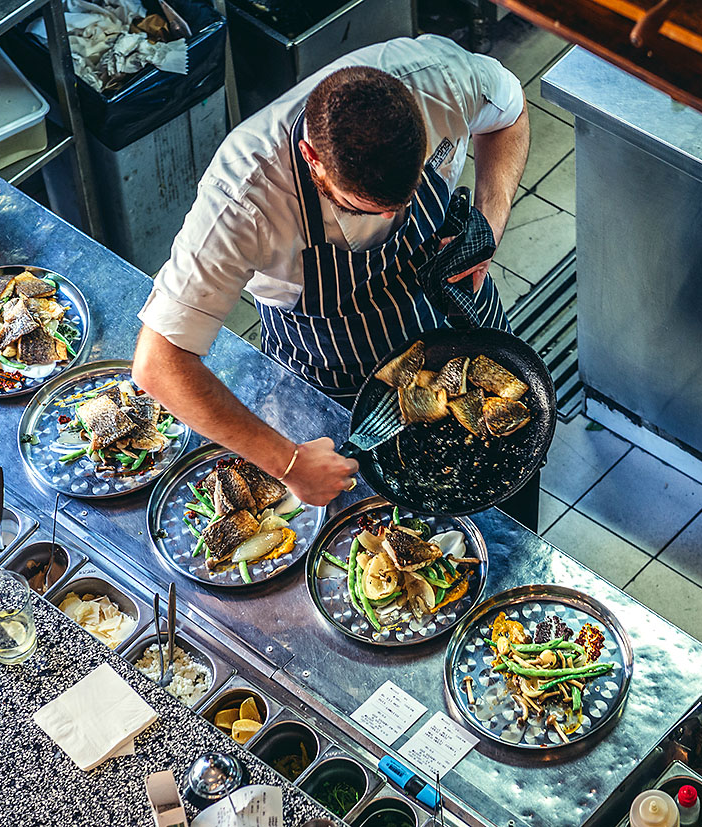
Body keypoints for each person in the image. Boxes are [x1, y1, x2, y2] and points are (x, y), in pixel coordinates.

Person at [132, 35, 534, 522]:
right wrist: (290, 461)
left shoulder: (439, 78)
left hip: (462, 322)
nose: (394, 216)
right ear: (312, 159)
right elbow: (159, 364)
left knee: (510, 487)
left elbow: (510, 115)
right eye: (367, 208)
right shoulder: (242, 199)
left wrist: (488, 225)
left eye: (405, 200)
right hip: (340, 379)